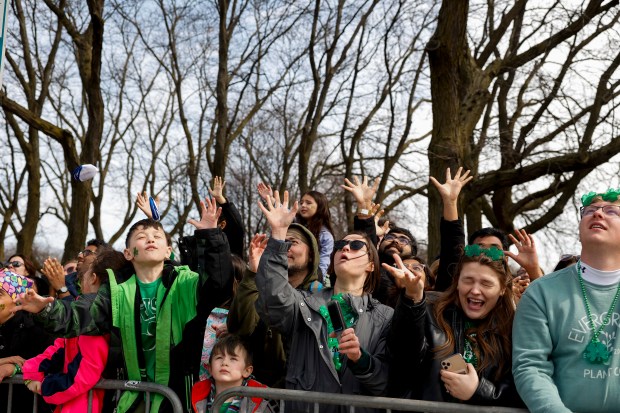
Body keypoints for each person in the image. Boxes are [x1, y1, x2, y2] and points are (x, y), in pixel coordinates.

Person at [16, 197, 233, 413]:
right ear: (128, 253)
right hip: (134, 397)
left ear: (168, 251)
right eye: (141, 236)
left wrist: (210, 236)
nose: (150, 239)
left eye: (157, 236)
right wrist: (45, 310)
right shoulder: (117, 291)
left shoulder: (185, 282)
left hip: (178, 396)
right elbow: (83, 314)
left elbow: (217, 285)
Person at [254, 190, 392, 413]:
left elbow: (389, 383)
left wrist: (360, 359)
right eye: (339, 246)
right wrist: (278, 235)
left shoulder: (385, 317)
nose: (344, 248)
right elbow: (273, 298)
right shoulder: (304, 303)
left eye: (356, 246)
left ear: (371, 265)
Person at [513, 189, 620, 412]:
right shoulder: (540, 292)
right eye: (590, 210)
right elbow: (531, 367)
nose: (597, 214)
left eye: (611, 211)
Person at [387, 244, 522, 407]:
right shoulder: (430, 307)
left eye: (486, 284)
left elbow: (523, 390)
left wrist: (478, 390)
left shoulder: (513, 328)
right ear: (457, 281)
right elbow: (404, 358)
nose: (475, 290)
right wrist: (412, 299)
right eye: (468, 280)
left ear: (502, 289)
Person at [21, 250, 127, 413]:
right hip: (71, 403)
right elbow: (60, 348)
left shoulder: (95, 323)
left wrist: (46, 386)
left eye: (82, 277)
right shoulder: (84, 316)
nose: (78, 284)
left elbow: (83, 375)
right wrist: (32, 368)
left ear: (92, 279)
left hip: (85, 405)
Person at [227, 223, 323, 387]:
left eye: (292, 242)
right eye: (281, 241)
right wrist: (253, 273)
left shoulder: (322, 297)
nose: (285, 247)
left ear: (312, 255)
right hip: (258, 396)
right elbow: (240, 329)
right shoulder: (261, 290)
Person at [341, 176, 418, 306]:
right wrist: (364, 207)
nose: (395, 241)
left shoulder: (418, 276)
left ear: (413, 252)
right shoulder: (370, 268)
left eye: (403, 240)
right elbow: (365, 243)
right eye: (390, 237)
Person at [191, 334, 275, 413]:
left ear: (247, 371)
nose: (224, 363)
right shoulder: (198, 396)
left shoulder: (259, 401)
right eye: (219, 357)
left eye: (233, 359)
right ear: (210, 368)